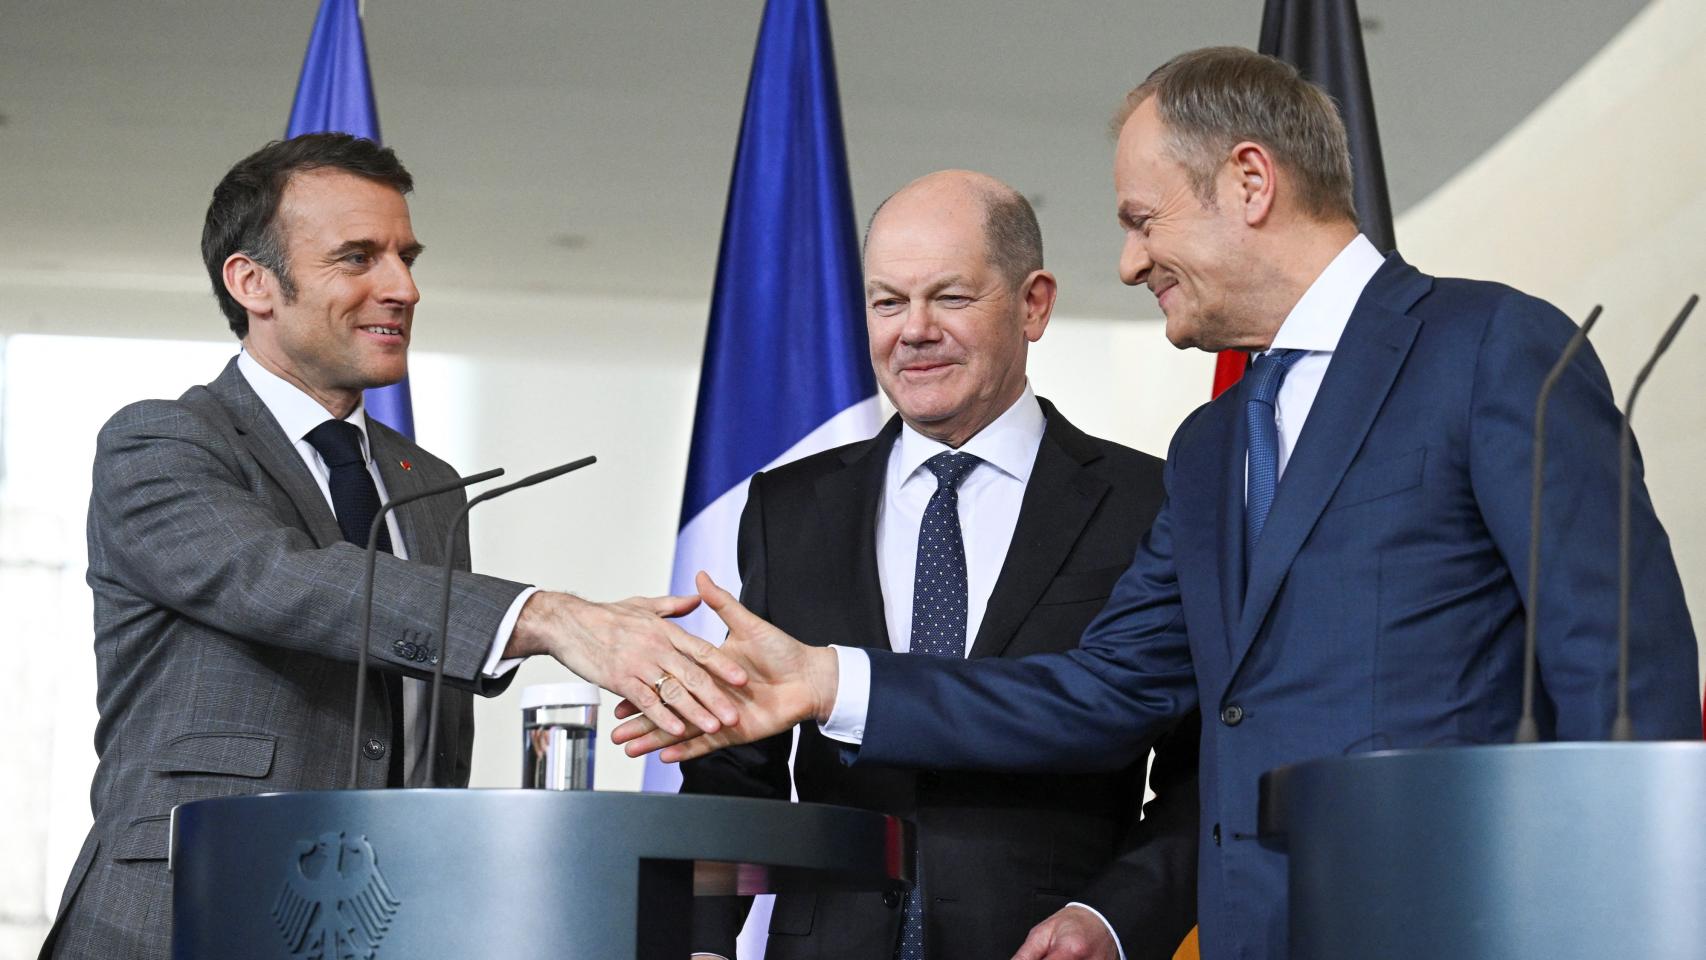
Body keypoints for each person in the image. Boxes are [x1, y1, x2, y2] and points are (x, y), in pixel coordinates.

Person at [616, 47, 1702, 960]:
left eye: (1141, 220)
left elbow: (1620, 677)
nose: (1130, 263)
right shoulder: (1211, 442)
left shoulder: (1489, 350)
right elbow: (1099, 691)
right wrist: (827, 681)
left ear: (1246, 182)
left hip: (1441, 923)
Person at [41, 133, 746, 960]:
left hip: (386, 928)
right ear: (252, 282)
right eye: (358, 257)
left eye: (406, 256)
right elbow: (280, 581)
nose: (403, 287)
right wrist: (549, 619)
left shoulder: (431, 484)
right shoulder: (163, 444)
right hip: (181, 918)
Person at [679, 171, 1199, 960]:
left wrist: (1114, 919)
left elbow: (1202, 779)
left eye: (949, 297)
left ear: (1034, 304)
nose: (912, 331)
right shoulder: (789, 507)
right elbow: (736, 775)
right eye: (887, 302)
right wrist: (701, 946)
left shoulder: (1150, 502)